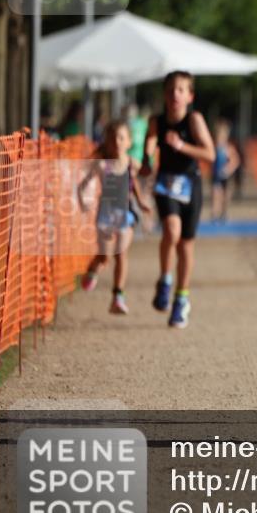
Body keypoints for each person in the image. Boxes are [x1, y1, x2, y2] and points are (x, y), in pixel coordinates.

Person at [140, 71, 215, 329]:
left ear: (190, 96)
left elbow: (210, 154)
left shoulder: (194, 120)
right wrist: (147, 160)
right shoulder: (156, 121)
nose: (175, 94)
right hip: (165, 184)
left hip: (190, 185)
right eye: (171, 89)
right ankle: (165, 279)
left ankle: (181, 298)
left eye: (181, 90)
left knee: (185, 245)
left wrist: (182, 146)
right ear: (164, 93)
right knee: (171, 231)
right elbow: (149, 142)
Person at [77, 120, 151, 314]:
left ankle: (118, 296)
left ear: (129, 142)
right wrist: (83, 202)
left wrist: (142, 203)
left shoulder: (131, 163)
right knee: (105, 257)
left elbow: (134, 184)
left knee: (121, 253)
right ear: (107, 143)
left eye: (121, 138)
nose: (117, 142)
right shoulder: (102, 165)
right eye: (113, 138)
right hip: (106, 215)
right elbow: (82, 186)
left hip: (126, 213)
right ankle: (93, 270)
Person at [210, 118, 241, 222]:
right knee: (216, 195)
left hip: (226, 176)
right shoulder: (213, 147)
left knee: (225, 196)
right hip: (216, 176)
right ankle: (214, 214)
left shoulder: (228, 148)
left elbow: (236, 160)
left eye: (222, 136)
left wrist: (228, 169)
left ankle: (224, 214)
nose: (220, 138)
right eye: (218, 136)